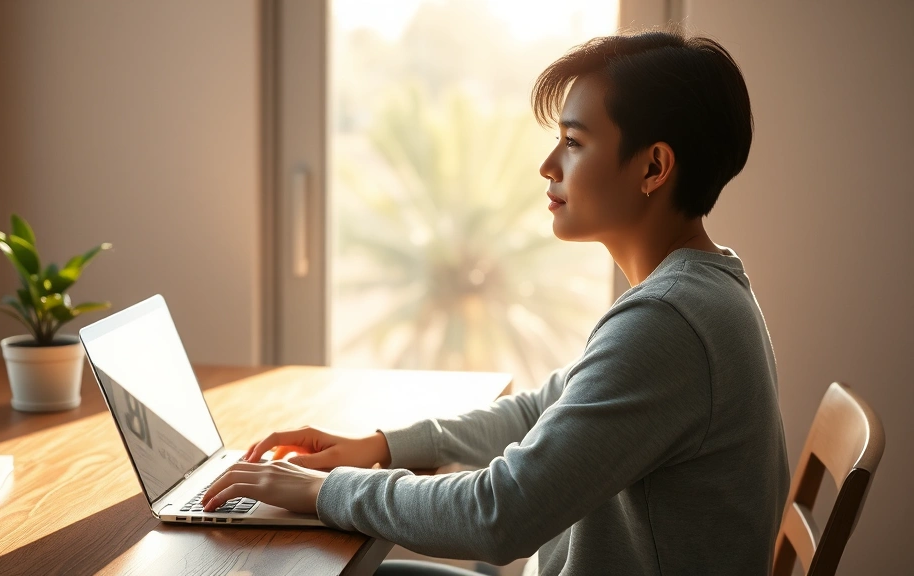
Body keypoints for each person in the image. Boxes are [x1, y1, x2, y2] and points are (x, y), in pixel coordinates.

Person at [202, 29, 789, 576]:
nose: (548, 165)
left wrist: (321, 491)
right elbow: (542, 410)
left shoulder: (668, 322)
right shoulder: (699, 291)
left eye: (574, 142)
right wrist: (378, 447)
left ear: (654, 167)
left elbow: (498, 515)